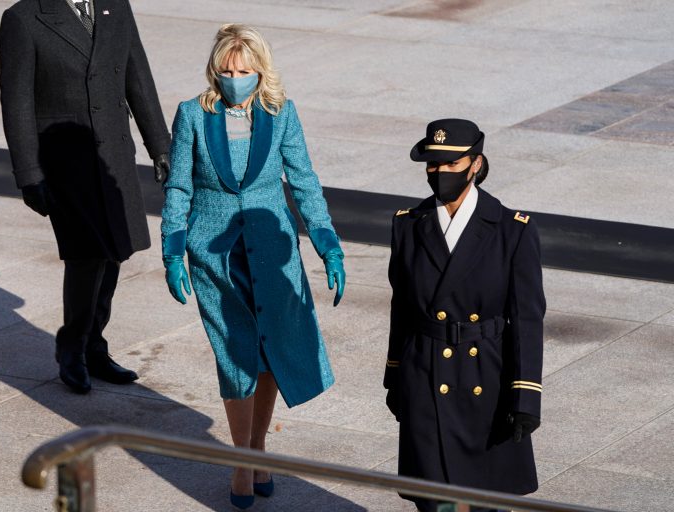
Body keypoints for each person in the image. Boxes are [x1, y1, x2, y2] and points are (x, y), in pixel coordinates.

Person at [161, 24, 345, 509]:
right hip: (214, 256)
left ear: (261, 71)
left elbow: (304, 180)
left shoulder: (281, 113)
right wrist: (172, 250)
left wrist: (327, 243)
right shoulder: (192, 114)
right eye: (226, 70)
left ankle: (256, 445)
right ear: (214, 70)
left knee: (270, 351)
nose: (235, 78)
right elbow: (178, 186)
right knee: (235, 353)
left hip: (270, 249)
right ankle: (243, 458)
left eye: (244, 70)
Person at [0, 0, 172, 394]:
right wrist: (28, 173)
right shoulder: (23, 19)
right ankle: (72, 346)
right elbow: (17, 101)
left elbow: (137, 73)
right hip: (64, 161)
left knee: (114, 250)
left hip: (113, 152)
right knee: (85, 253)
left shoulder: (114, 6)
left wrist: (160, 145)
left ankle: (94, 344)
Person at [384, 119, 546, 512]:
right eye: (433, 165)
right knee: (434, 500)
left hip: (486, 380)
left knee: (483, 499)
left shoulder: (512, 230)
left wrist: (526, 393)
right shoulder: (407, 225)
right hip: (425, 375)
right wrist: (396, 376)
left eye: (451, 164)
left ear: (476, 164)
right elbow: (401, 308)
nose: (440, 173)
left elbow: (527, 319)